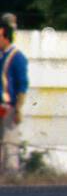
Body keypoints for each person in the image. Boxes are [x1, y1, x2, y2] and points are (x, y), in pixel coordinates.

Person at [0, 22, 30, 173]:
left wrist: (18, 109)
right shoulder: (2, 56)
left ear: (6, 38)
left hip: (9, 107)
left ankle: (11, 173)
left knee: (9, 142)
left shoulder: (17, 57)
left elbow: (22, 85)